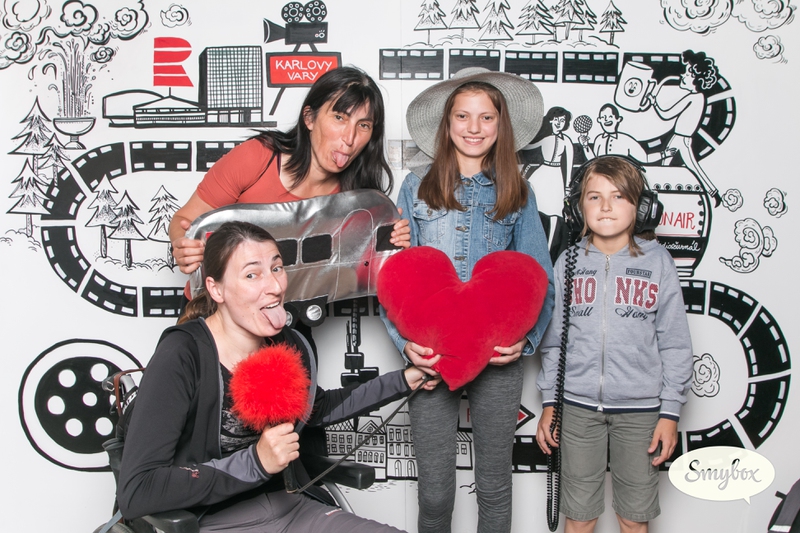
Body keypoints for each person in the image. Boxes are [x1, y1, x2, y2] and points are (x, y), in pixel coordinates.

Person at [118, 221, 439, 532]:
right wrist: (256, 462)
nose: (274, 287)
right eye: (252, 274)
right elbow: (138, 490)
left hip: (292, 507)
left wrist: (404, 380)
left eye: (276, 268)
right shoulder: (182, 354)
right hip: (212, 521)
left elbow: (318, 409)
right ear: (216, 289)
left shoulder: (287, 342)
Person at [381, 67, 555, 533]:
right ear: (447, 123)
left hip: (497, 357)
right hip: (433, 357)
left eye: (486, 117)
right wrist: (405, 345)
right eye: (463, 116)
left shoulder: (517, 191)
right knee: (435, 492)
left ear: (501, 126)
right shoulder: (415, 187)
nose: (474, 127)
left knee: (494, 486)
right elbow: (395, 277)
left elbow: (540, 278)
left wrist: (527, 342)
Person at [536, 156, 693, 533]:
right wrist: (549, 403)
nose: (605, 206)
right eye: (594, 197)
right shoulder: (567, 261)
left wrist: (670, 413)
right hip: (576, 409)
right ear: (578, 209)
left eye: (619, 196)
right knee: (580, 516)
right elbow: (554, 343)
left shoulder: (659, 262)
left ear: (642, 207)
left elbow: (675, 343)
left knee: (633, 517)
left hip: (642, 412)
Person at [169, 66, 411, 296]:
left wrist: (389, 245)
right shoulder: (257, 158)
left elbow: (354, 274)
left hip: (290, 313)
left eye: (364, 125)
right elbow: (183, 220)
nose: (350, 138)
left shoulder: (357, 199)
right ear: (309, 118)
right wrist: (183, 245)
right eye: (339, 117)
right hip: (217, 313)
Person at [649, 50, 722, 206]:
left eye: (687, 73)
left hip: (681, 139)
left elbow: (666, 114)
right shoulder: (699, 97)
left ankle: (713, 193)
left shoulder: (693, 98)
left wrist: (654, 102)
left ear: (696, 78)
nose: (683, 75)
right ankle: (712, 193)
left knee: (686, 168)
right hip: (680, 138)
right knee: (668, 166)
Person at [521, 106, 575, 216]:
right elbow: (528, 147)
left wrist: (567, 188)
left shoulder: (567, 141)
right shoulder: (546, 138)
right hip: (542, 172)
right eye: (556, 119)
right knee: (533, 204)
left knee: (554, 209)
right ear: (551, 120)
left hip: (556, 175)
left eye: (562, 120)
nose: (559, 123)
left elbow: (569, 165)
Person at [579, 103, 675, 163]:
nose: (606, 120)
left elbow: (645, 158)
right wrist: (585, 146)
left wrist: (664, 154)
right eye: (603, 117)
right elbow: (594, 161)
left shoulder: (626, 140)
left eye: (610, 117)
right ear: (599, 120)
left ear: (618, 119)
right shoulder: (599, 139)